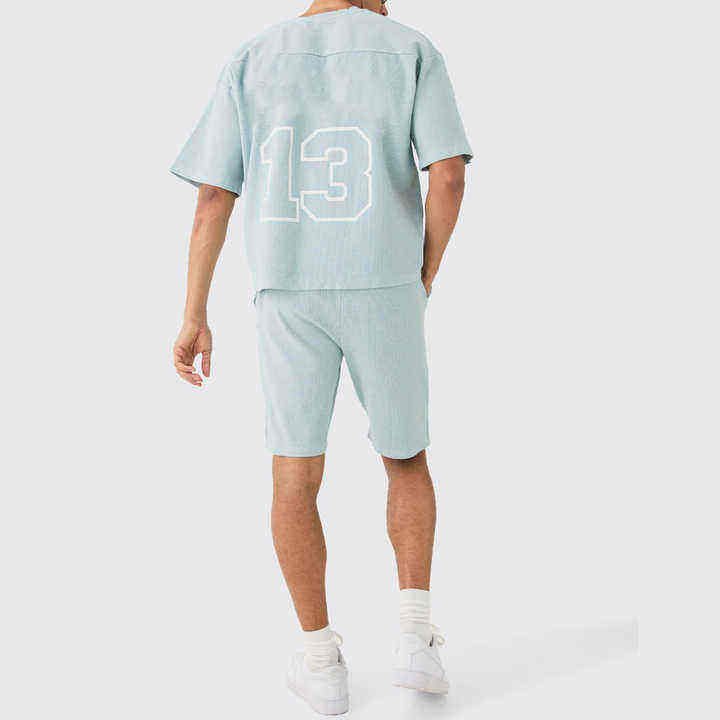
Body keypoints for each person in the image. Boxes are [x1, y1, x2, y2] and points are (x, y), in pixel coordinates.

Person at [171, 0, 471, 713]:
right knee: (405, 457)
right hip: (384, 283)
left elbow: (214, 195)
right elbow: (449, 175)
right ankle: (414, 639)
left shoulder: (252, 56)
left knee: (294, 474)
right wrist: (422, 273)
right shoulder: (410, 48)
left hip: (287, 288)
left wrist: (194, 313)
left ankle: (320, 661)